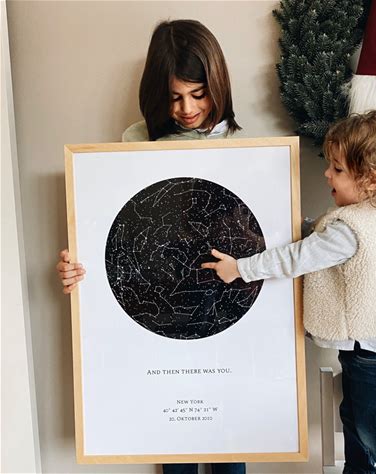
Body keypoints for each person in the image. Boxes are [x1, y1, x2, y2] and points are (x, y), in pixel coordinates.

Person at [56, 19, 244, 474]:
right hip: (158, 307)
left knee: (230, 440)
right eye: (175, 97)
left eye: (198, 94)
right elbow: (116, 228)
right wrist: (78, 262)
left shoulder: (244, 145)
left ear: (218, 85)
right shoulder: (135, 141)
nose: (187, 109)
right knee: (174, 440)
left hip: (225, 308)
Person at [202, 110, 376, 474]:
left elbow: (298, 257)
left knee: (375, 431)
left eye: (337, 169)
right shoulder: (375, 212)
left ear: (370, 180)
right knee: (356, 420)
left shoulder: (348, 230)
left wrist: (240, 268)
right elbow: (316, 237)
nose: (326, 174)